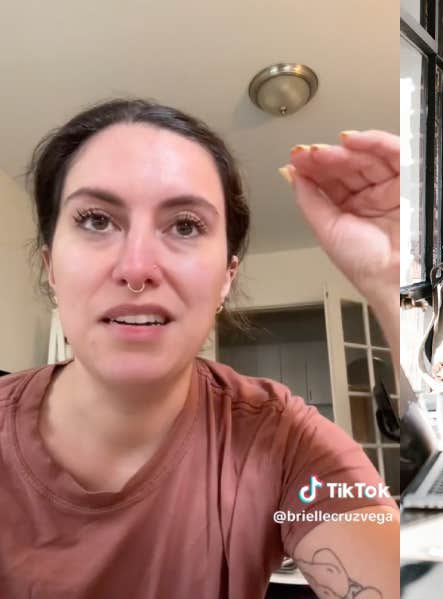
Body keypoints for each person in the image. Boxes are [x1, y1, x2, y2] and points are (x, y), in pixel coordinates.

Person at [0, 98, 403, 598]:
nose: (137, 267)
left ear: (226, 279)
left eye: (185, 225)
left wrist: (392, 284)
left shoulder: (284, 443)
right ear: (50, 265)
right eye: (97, 220)